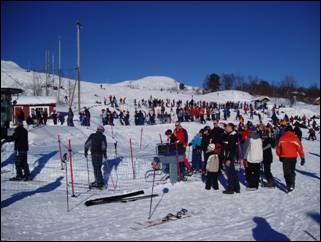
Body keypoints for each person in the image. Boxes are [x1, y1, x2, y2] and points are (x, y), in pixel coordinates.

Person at [276, 125, 305, 192]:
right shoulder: (295, 138)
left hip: (285, 157)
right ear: (292, 131)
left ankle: (289, 185)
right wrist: (302, 157)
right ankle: (292, 183)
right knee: (292, 171)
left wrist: (280, 155)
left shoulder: (282, 138)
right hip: (293, 157)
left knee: (286, 172)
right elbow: (300, 149)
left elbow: (278, 149)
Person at [84, 125, 107, 189]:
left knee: (96, 168)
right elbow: (104, 146)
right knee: (98, 167)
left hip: (94, 154)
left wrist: (85, 151)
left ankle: (99, 183)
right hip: (100, 154)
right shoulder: (103, 137)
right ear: (101, 130)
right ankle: (99, 180)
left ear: (97, 130)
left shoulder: (92, 135)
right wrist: (105, 154)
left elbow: (87, 144)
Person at [222, 123, 240, 194]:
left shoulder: (233, 135)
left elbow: (232, 149)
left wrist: (229, 159)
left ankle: (231, 188)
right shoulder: (230, 134)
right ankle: (236, 187)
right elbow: (222, 138)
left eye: (228, 127)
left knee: (230, 173)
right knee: (232, 172)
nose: (226, 128)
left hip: (229, 156)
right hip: (229, 155)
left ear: (231, 128)